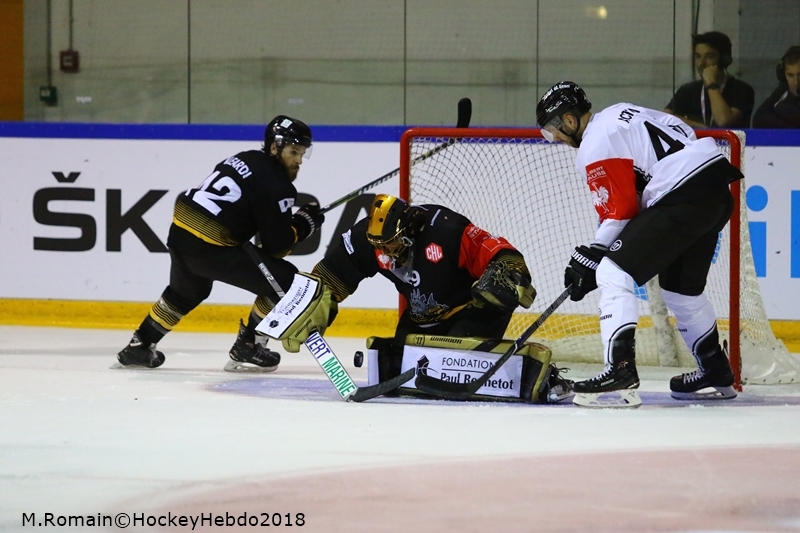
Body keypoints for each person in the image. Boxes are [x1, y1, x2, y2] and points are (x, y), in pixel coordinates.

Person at [536, 81, 741, 402]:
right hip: (715, 192)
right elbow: (681, 133)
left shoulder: (595, 141)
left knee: (612, 273)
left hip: (682, 196)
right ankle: (717, 371)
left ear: (570, 120)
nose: (556, 139)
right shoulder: (623, 112)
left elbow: (621, 212)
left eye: (553, 130)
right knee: (680, 291)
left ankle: (620, 370)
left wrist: (592, 256)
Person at [115, 115, 325, 371]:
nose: (299, 160)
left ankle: (140, 345)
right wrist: (303, 225)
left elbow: (251, 216)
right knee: (287, 281)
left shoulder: (243, 157)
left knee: (187, 292)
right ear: (274, 147)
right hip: (210, 247)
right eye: (294, 151)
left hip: (180, 235)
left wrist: (289, 223)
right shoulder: (277, 184)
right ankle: (250, 345)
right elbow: (276, 248)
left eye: (302, 153)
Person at [665, 31, 754, 128]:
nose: (702, 63)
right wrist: (701, 128)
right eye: (698, 56)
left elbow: (723, 120)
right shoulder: (688, 90)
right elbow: (666, 117)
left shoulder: (741, 89)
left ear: (724, 60)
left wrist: (711, 83)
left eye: (709, 56)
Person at [752, 45, 800, 128]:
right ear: (782, 75)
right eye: (790, 75)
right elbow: (758, 119)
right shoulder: (783, 89)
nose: (796, 82)